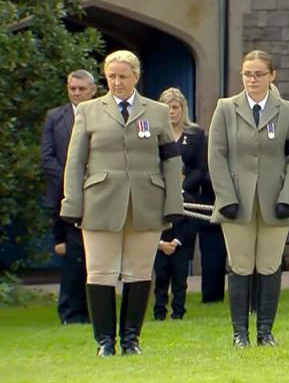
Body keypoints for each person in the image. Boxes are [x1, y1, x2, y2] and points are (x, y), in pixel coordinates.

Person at [60, 50, 184, 357]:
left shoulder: (156, 112)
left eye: (122, 76)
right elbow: (75, 161)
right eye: (111, 76)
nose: (116, 82)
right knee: (100, 272)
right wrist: (72, 204)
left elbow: (170, 161)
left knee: (139, 271)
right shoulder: (89, 111)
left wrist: (173, 203)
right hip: (100, 201)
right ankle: (105, 341)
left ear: (136, 77)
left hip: (146, 201)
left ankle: (131, 339)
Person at [208, 50, 289, 347]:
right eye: (247, 74)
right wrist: (225, 195)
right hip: (236, 202)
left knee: (268, 265)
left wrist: (288, 197)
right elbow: (216, 155)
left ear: (272, 76)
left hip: (274, 201)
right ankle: (240, 334)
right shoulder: (225, 108)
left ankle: (265, 332)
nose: (252, 79)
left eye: (258, 74)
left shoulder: (287, 110)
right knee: (240, 265)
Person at [41, 69, 97, 325]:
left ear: (93, 90)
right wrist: (69, 179)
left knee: (92, 258)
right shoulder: (55, 117)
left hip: (96, 194)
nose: (76, 93)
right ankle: (71, 313)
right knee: (73, 256)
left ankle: (91, 311)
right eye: (72, 88)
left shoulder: (101, 114)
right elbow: (47, 156)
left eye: (81, 89)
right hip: (65, 196)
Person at [151, 88, 207, 320]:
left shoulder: (195, 134)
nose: (172, 112)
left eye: (175, 107)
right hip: (159, 200)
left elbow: (202, 169)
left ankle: (179, 310)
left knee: (180, 264)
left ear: (183, 109)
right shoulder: (153, 134)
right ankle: (158, 310)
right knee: (160, 268)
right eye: (167, 107)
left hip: (189, 202)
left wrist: (182, 187)